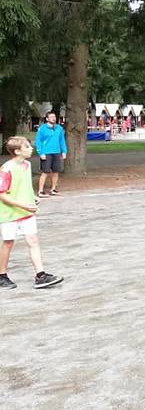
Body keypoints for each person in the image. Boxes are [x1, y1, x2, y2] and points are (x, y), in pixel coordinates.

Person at [0, 136, 64, 290]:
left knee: (33, 241)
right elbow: (2, 194)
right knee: (8, 243)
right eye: (27, 146)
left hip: (26, 212)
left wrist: (32, 197)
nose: (31, 148)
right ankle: (2, 275)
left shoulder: (27, 165)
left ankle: (40, 275)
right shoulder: (6, 169)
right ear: (17, 151)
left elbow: (22, 187)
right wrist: (23, 205)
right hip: (10, 213)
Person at [34, 110, 67, 198]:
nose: (53, 118)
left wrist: (64, 151)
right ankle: (40, 191)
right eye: (51, 117)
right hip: (46, 153)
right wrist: (41, 152)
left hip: (56, 152)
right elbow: (38, 141)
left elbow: (62, 141)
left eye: (54, 117)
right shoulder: (42, 128)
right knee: (45, 172)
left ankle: (53, 189)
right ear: (47, 118)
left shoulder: (59, 128)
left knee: (56, 172)